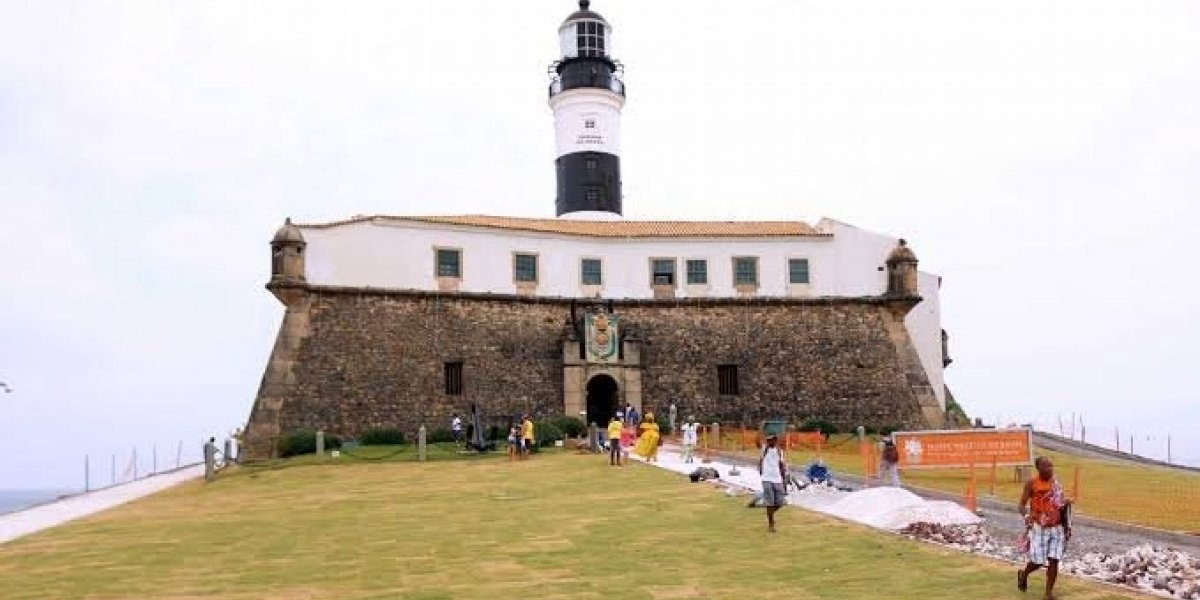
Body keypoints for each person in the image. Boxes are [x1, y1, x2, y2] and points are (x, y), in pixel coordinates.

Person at [1017, 457, 1073, 600]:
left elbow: (1060, 504)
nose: (1050, 469)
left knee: (1054, 560)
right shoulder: (1032, 484)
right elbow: (1021, 505)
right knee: (1038, 561)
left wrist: (1067, 526)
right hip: (1039, 528)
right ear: (1039, 469)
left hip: (1057, 527)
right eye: (1046, 467)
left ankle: (1048, 594)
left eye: (1051, 467)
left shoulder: (1056, 483)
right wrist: (1027, 516)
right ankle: (1024, 574)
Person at [758, 434, 788, 532]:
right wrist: (761, 427)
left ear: (776, 441)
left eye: (773, 440)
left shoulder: (780, 451)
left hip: (777, 479)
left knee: (781, 502)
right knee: (770, 503)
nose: (771, 441)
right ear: (767, 441)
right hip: (766, 478)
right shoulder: (764, 449)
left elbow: (781, 466)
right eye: (769, 440)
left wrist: (784, 481)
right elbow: (757, 440)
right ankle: (771, 524)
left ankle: (769, 513)